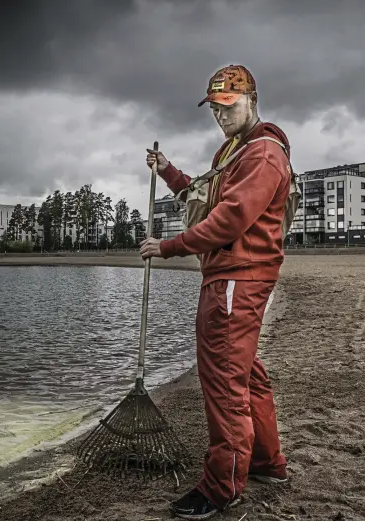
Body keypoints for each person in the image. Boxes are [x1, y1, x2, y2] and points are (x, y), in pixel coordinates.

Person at [141, 64, 290, 520]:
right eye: (215, 109)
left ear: (251, 99)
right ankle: (268, 464)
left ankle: (221, 487)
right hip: (234, 276)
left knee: (224, 379)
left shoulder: (262, 155)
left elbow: (229, 219)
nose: (221, 116)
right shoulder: (234, 151)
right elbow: (202, 197)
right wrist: (168, 172)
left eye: (230, 105)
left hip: (234, 279)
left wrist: (167, 247)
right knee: (245, 373)